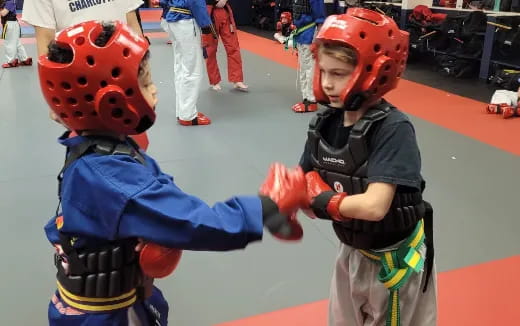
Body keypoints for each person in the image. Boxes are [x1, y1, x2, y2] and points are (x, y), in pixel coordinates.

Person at [38, 20, 307, 325]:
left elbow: (153, 188)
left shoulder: (94, 144)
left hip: (120, 298)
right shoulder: (108, 175)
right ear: (110, 101)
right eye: (146, 83)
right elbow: (190, 222)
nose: (154, 90)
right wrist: (265, 207)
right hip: (105, 317)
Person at [295, 9, 437, 325]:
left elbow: (374, 207)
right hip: (351, 251)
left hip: (395, 261)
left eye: (340, 73)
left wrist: (321, 201)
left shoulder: (393, 128)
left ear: (377, 71)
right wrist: (286, 195)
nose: (328, 83)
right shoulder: (324, 124)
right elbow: (303, 182)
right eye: (324, 71)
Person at [22, 0, 149, 148]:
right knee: (95, 152)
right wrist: (55, 98)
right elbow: (45, 40)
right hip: (81, 85)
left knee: (137, 146)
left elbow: (132, 22)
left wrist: (145, 76)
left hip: (125, 76)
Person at [159, 0, 213, 126]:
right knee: (192, 69)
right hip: (186, 21)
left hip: (172, 18)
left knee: (181, 67)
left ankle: (183, 110)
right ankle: (188, 115)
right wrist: (206, 28)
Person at [203, 0, 248, 92]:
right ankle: (214, 81)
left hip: (224, 11)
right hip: (209, 12)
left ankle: (237, 79)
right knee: (210, 50)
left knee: (233, 47)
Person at [290, 0, 325, 113]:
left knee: (310, 68)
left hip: (309, 34)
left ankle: (311, 101)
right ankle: (306, 97)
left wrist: (316, 40)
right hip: (300, 34)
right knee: (304, 68)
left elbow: (320, 19)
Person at [0, 0, 32, 68]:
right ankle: (24, 59)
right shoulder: (8, 2)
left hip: (10, 25)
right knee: (17, 43)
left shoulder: (9, 2)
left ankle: (11, 61)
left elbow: (3, 13)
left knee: (9, 43)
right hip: (12, 24)